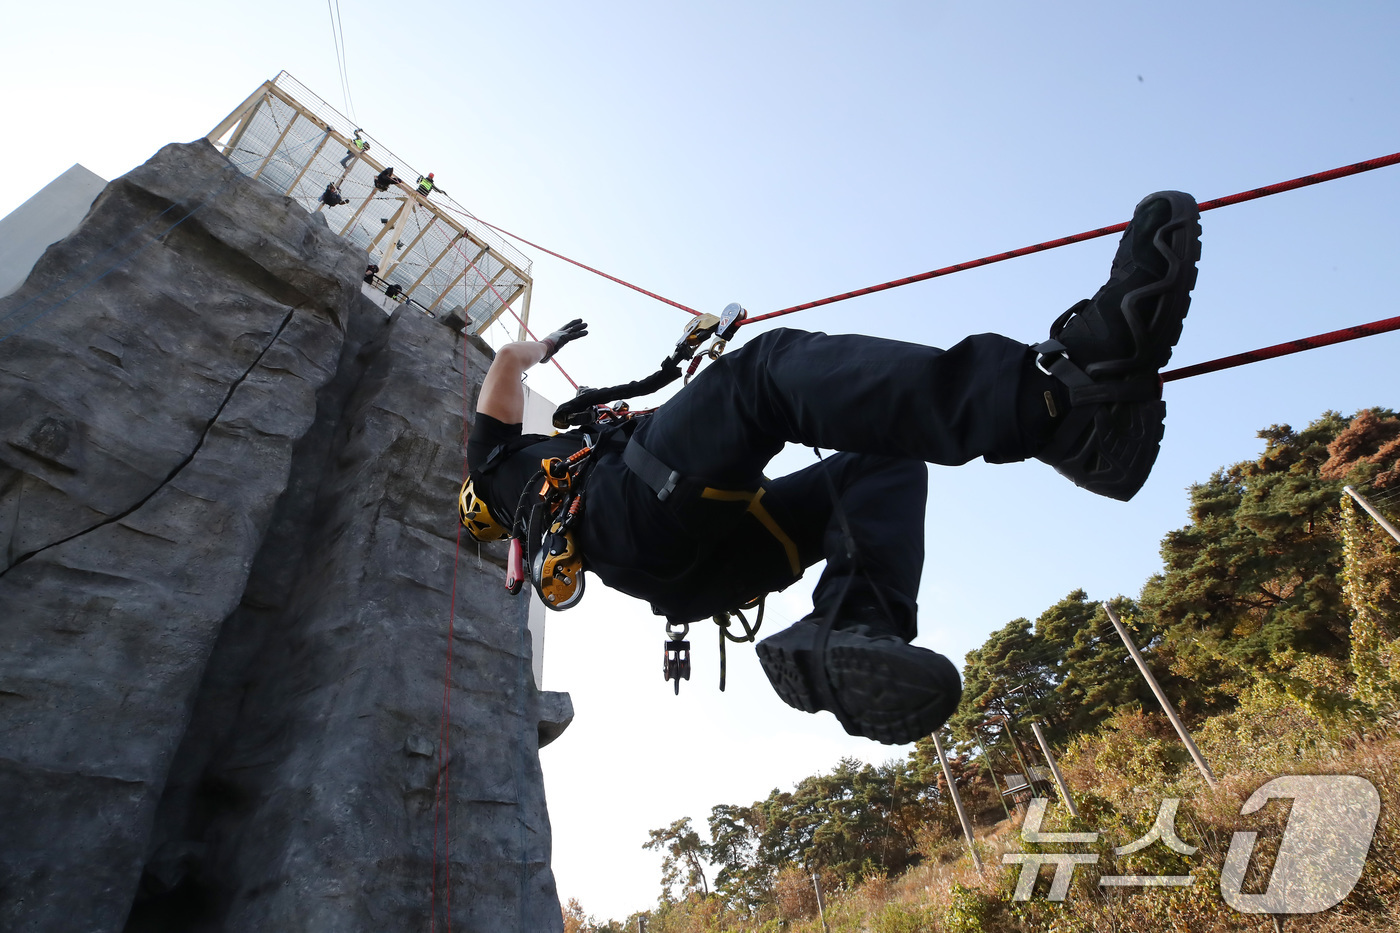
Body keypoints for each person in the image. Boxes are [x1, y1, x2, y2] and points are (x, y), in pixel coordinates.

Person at [461, 191, 1202, 745]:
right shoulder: (495, 461)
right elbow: (505, 365)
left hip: (691, 567)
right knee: (762, 375)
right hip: (635, 502)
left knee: (882, 463)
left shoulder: (539, 507)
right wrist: (546, 345)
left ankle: (853, 623)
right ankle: (1058, 401)